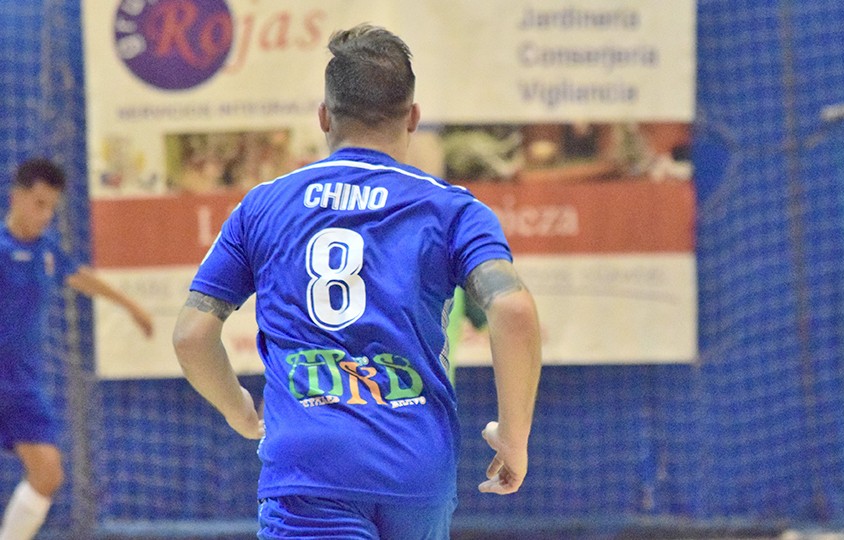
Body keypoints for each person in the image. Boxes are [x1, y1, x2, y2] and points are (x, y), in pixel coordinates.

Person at [172, 24, 542, 540]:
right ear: (413, 117)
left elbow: (191, 335)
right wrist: (515, 438)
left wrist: (240, 412)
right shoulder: (454, 209)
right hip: (415, 465)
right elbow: (514, 311)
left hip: (309, 466)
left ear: (324, 116)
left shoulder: (262, 206)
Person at [0, 158, 154, 540]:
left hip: (21, 386)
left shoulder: (47, 250)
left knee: (48, 473)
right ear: (15, 197)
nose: (45, 214)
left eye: (51, 206)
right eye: (38, 203)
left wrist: (130, 304)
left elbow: (79, 276)